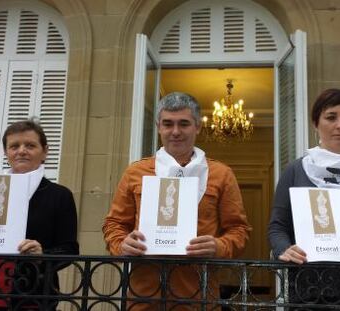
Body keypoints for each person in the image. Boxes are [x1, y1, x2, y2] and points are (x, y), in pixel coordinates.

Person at [102, 92, 251, 310]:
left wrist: (219, 246)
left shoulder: (221, 174)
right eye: (168, 124)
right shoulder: (136, 172)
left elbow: (239, 230)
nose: (175, 132)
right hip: (144, 296)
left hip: (199, 297)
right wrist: (122, 244)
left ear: (198, 126)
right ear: (158, 126)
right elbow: (113, 224)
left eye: (184, 124)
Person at [0, 119, 79, 310]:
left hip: (33, 298)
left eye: (30, 145)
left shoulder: (60, 195)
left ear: (45, 151)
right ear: (6, 153)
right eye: (14, 146)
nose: (21, 151)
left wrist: (42, 254)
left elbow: (69, 250)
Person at [268, 88, 340, 306]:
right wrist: (284, 248)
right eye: (331, 117)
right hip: (308, 287)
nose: (339, 125)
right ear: (315, 123)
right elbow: (277, 227)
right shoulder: (296, 170)